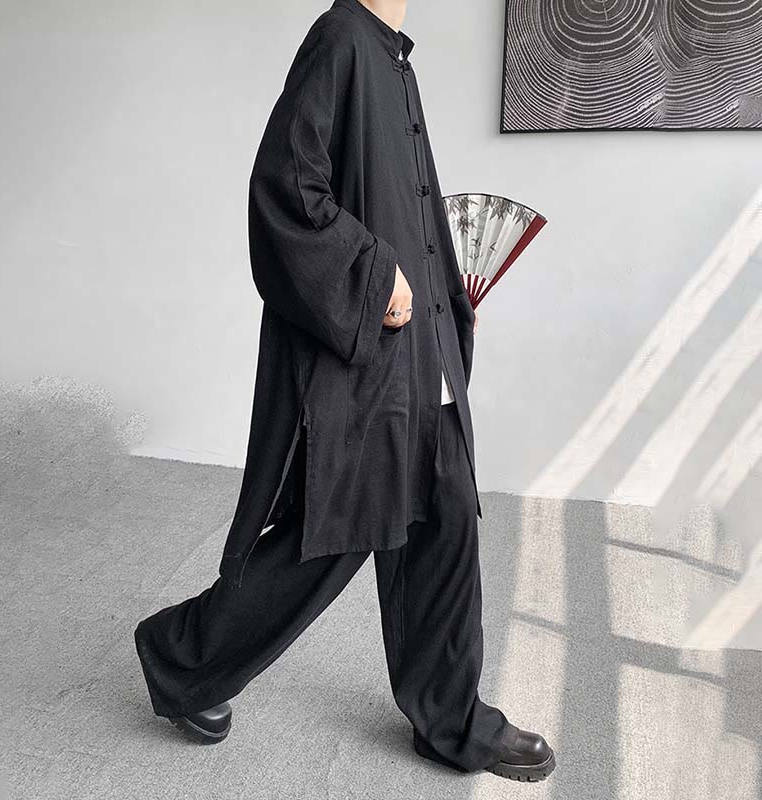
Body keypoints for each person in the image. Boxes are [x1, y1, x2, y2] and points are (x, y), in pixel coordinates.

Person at [134, 0, 555, 783]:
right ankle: (181, 655)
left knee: (446, 516)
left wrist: (440, 295)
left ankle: (449, 717)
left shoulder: (392, 57)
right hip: (371, 353)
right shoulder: (340, 41)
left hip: (420, 352)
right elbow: (285, 188)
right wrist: (376, 277)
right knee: (335, 535)